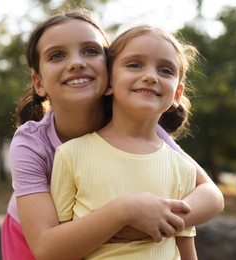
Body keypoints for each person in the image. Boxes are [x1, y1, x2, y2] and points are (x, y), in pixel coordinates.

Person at [1, 8, 224, 260]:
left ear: (109, 72)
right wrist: (125, 212)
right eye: (57, 55)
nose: (76, 62)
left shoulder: (137, 127)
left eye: (90, 50)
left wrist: (158, 219)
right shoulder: (31, 143)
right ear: (39, 82)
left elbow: (211, 195)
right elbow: (46, 246)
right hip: (32, 236)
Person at [50, 24, 200, 259]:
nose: (150, 76)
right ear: (109, 82)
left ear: (177, 95)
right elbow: (60, 247)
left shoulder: (183, 168)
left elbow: (185, 246)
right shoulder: (71, 154)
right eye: (134, 65)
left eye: (166, 70)